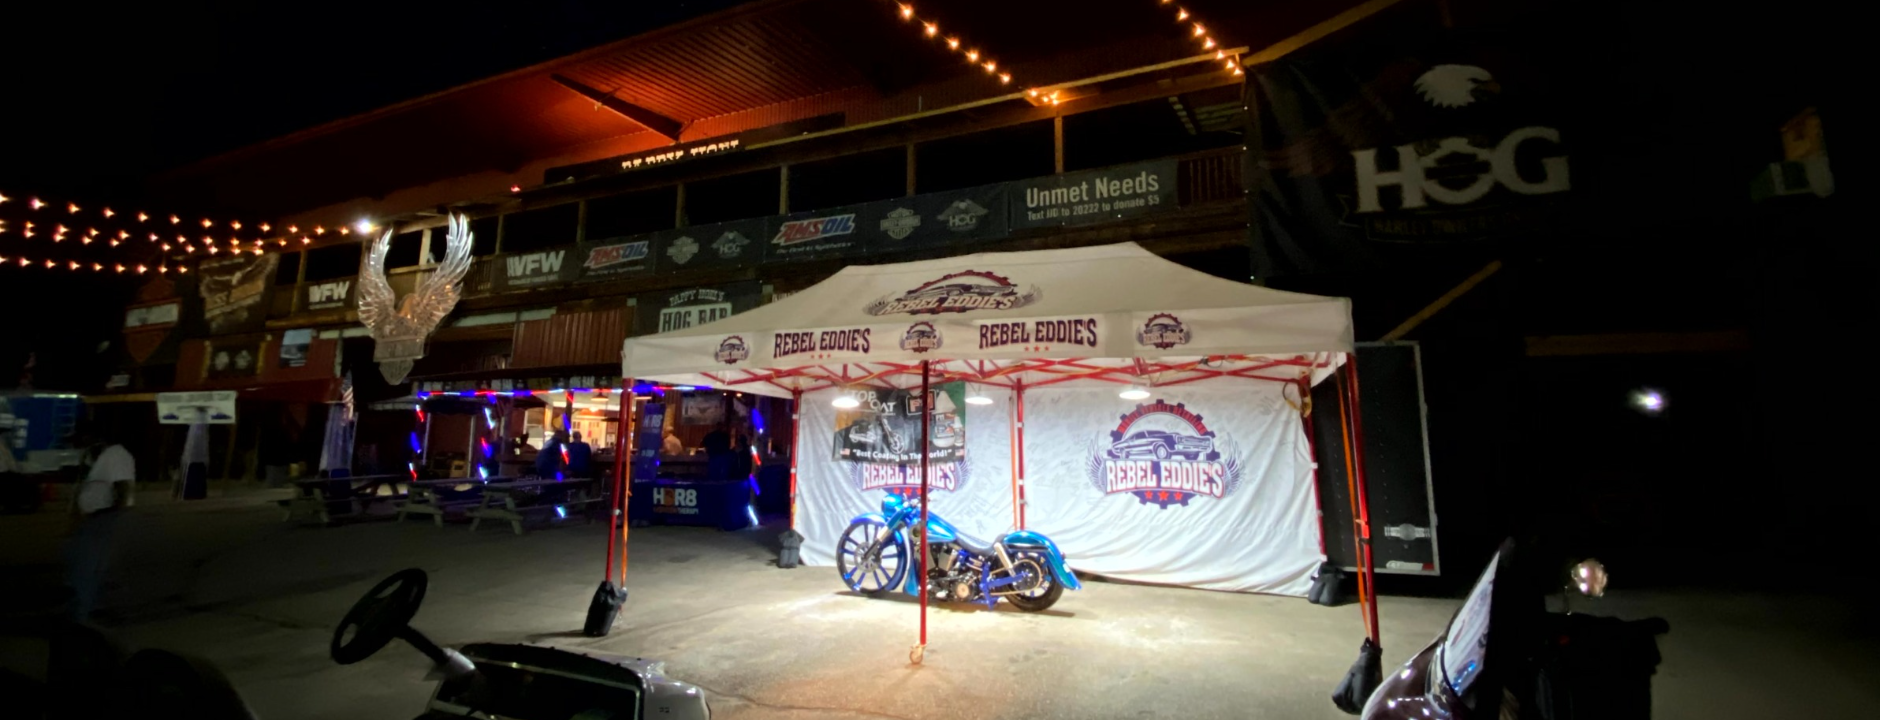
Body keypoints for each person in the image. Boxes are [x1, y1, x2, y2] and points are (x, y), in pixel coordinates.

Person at [67, 428, 136, 622]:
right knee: (82, 563)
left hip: (103, 518)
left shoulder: (116, 454)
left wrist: (119, 515)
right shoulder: (97, 457)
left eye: (80, 441)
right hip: (92, 518)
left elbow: (124, 487)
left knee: (89, 566)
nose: (77, 447)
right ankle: (89, 607)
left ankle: (84, 613)